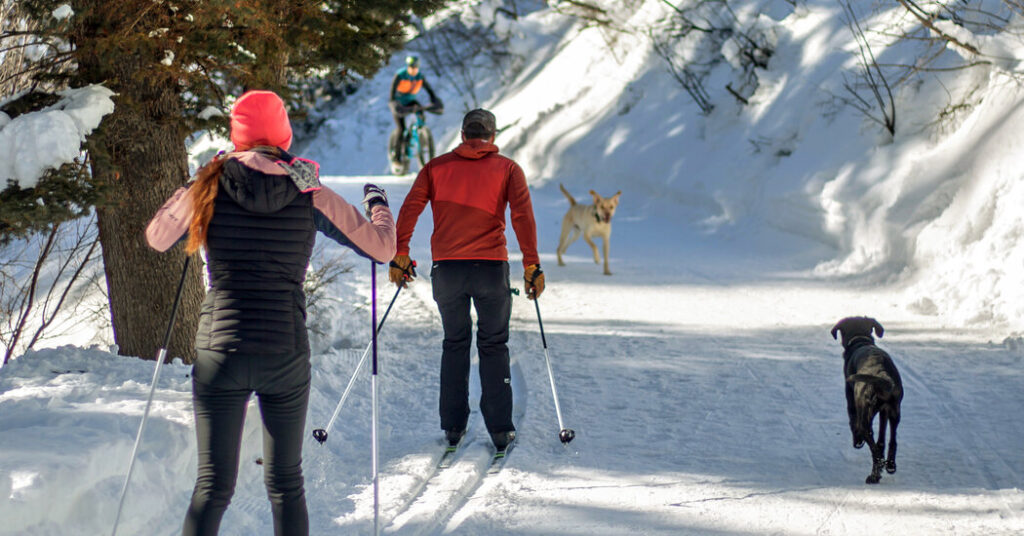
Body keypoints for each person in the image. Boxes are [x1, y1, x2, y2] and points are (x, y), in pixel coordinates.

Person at [144, 89, 396, 536]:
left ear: (236, 135)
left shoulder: (211, 183)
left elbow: (158, 237)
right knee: (284, 483)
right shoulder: (308, 188)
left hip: (219, 350)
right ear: (283, 134)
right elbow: (381, 249)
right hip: (283, 350)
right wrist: (378, 206)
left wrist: (195, 182)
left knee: (212, 486)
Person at [388, 108, 544, 451]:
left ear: (462, 135)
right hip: (491, 270)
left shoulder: (436, 167)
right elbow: (522, 218)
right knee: (493, 344)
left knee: (455, 343)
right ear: (492, 136)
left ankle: (454, 427)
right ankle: (500, 430)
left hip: (448, 270)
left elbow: (410, 208)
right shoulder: (508, 169)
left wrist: (401, 253)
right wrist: (532, 265)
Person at [388, 55, 440, 161]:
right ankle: (396, 157)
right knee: (401, 129)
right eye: (411, 67)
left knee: (420, 111)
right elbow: (392, 93)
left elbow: (429, 90)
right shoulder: (400, 75)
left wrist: (434, 100)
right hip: (399, 104)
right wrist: (393, 104)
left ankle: (422, 134)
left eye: (415, 67)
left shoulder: (419, 77)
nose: (413, 69)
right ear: (408, 67)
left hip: (411, 102)